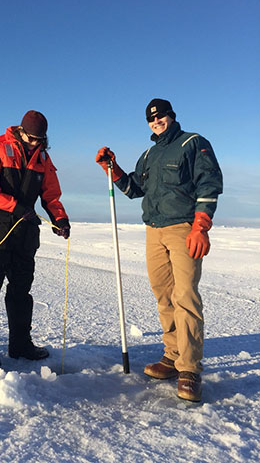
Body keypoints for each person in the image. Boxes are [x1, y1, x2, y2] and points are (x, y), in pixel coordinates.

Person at [96, 98, 222, 401]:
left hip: (183, 229)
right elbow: (135, 189)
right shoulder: (150, 154)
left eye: (161, 117)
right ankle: (172, 356)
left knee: (186, 295)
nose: (157, 122)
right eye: (151, 119)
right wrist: (113, 170)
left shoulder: (193, 143)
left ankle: (189, 369)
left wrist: (200, 225)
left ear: (171, 116)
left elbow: (209, 182)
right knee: (163, 294)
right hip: (154, 230)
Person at [0, 110, 70, 369]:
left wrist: (60, 219)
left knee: (21, 291)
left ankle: (21, 345)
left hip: (25, 233)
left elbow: (51, 195)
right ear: (21, 132)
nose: (36, 143)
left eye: (41, 139)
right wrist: (15, 207)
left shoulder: (43, 159)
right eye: (32, 138)